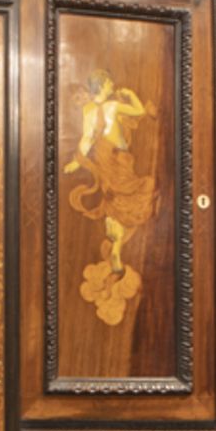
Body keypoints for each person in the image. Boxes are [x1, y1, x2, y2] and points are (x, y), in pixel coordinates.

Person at [65, 69, 157, 325]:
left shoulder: (87, 112)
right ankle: (117, 247)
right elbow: (139, 111)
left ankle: (115, 246)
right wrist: (131, 96)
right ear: (103, 86)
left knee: (114, 203)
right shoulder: (114, 106)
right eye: (109, 82)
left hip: (102, 159)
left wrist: (76, 161)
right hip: (116, 157)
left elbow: (85, 139)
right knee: (135, 196)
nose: (113, 85)